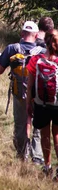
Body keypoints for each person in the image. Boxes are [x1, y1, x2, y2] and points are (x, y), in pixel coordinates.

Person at [0, 20, 45, 162]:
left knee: (20, 124)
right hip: (39, 94)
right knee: (38, 125)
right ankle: (37, 157)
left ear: (22, 33)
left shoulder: (13, 48)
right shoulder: (42, 51)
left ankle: (22, 154)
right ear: (36, 35)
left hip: (20, 93)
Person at [26, 30, 58, 178]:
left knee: (45, 135)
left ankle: (47, 166)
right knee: (57, 135)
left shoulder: (36, 59)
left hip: (41, 103)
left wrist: (28, 102)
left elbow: (30, 83)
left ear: (45, 41)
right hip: (57, 104)